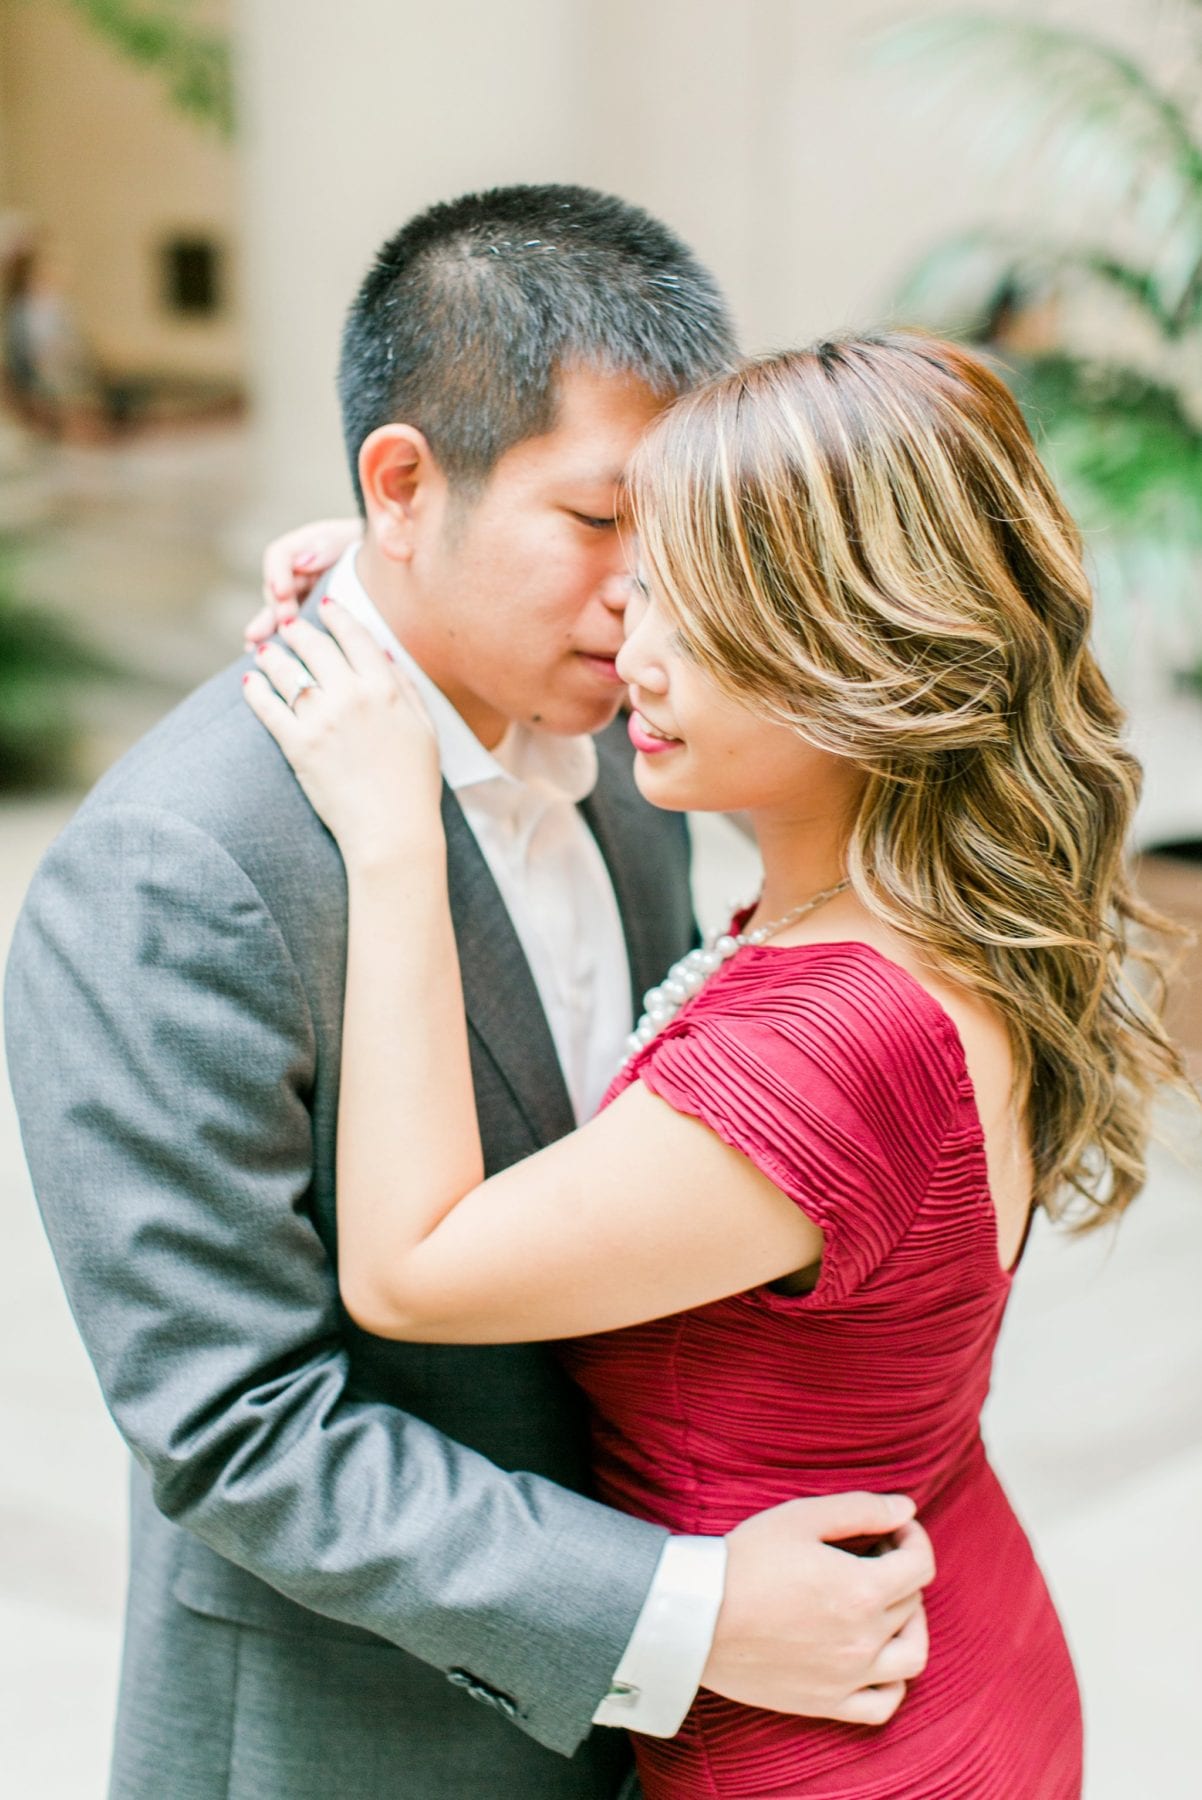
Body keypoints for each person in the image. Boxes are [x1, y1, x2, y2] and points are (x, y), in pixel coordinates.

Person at [4, 188, 933, 1800]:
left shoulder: (646, 752)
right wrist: (690, 1613)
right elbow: (238, 1428)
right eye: (592, 522)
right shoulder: (175, 865)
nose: (646, 599)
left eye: (674, 524)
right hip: (356, 1741)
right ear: (399, 486)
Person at [242, 330, 1195, 1799]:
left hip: (830, 1745)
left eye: (695, 605)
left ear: (857, 649)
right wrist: (416, 587)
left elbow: (410, 1268)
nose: (634, 646)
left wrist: (391, 835)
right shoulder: (897, 901)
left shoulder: (831, 1046)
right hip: (941, 1634)